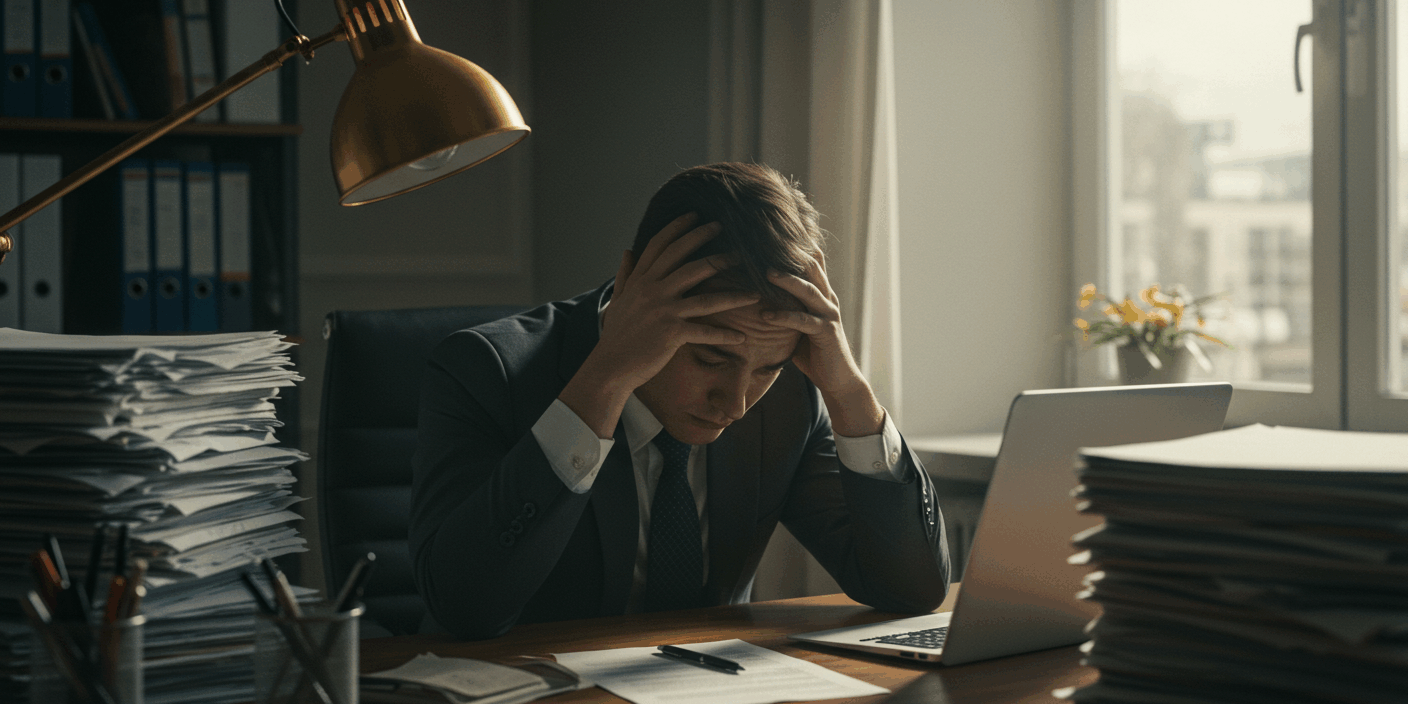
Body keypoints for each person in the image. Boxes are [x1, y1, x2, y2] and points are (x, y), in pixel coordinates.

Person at [410, 162, 949, 640]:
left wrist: (849, 390)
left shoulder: (790, 398)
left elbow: (911, 591)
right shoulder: (484, 371)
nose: (736, 403)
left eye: (766, 368)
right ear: (634, 301)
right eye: (711, 360)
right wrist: (604, 381)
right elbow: (465, 609)